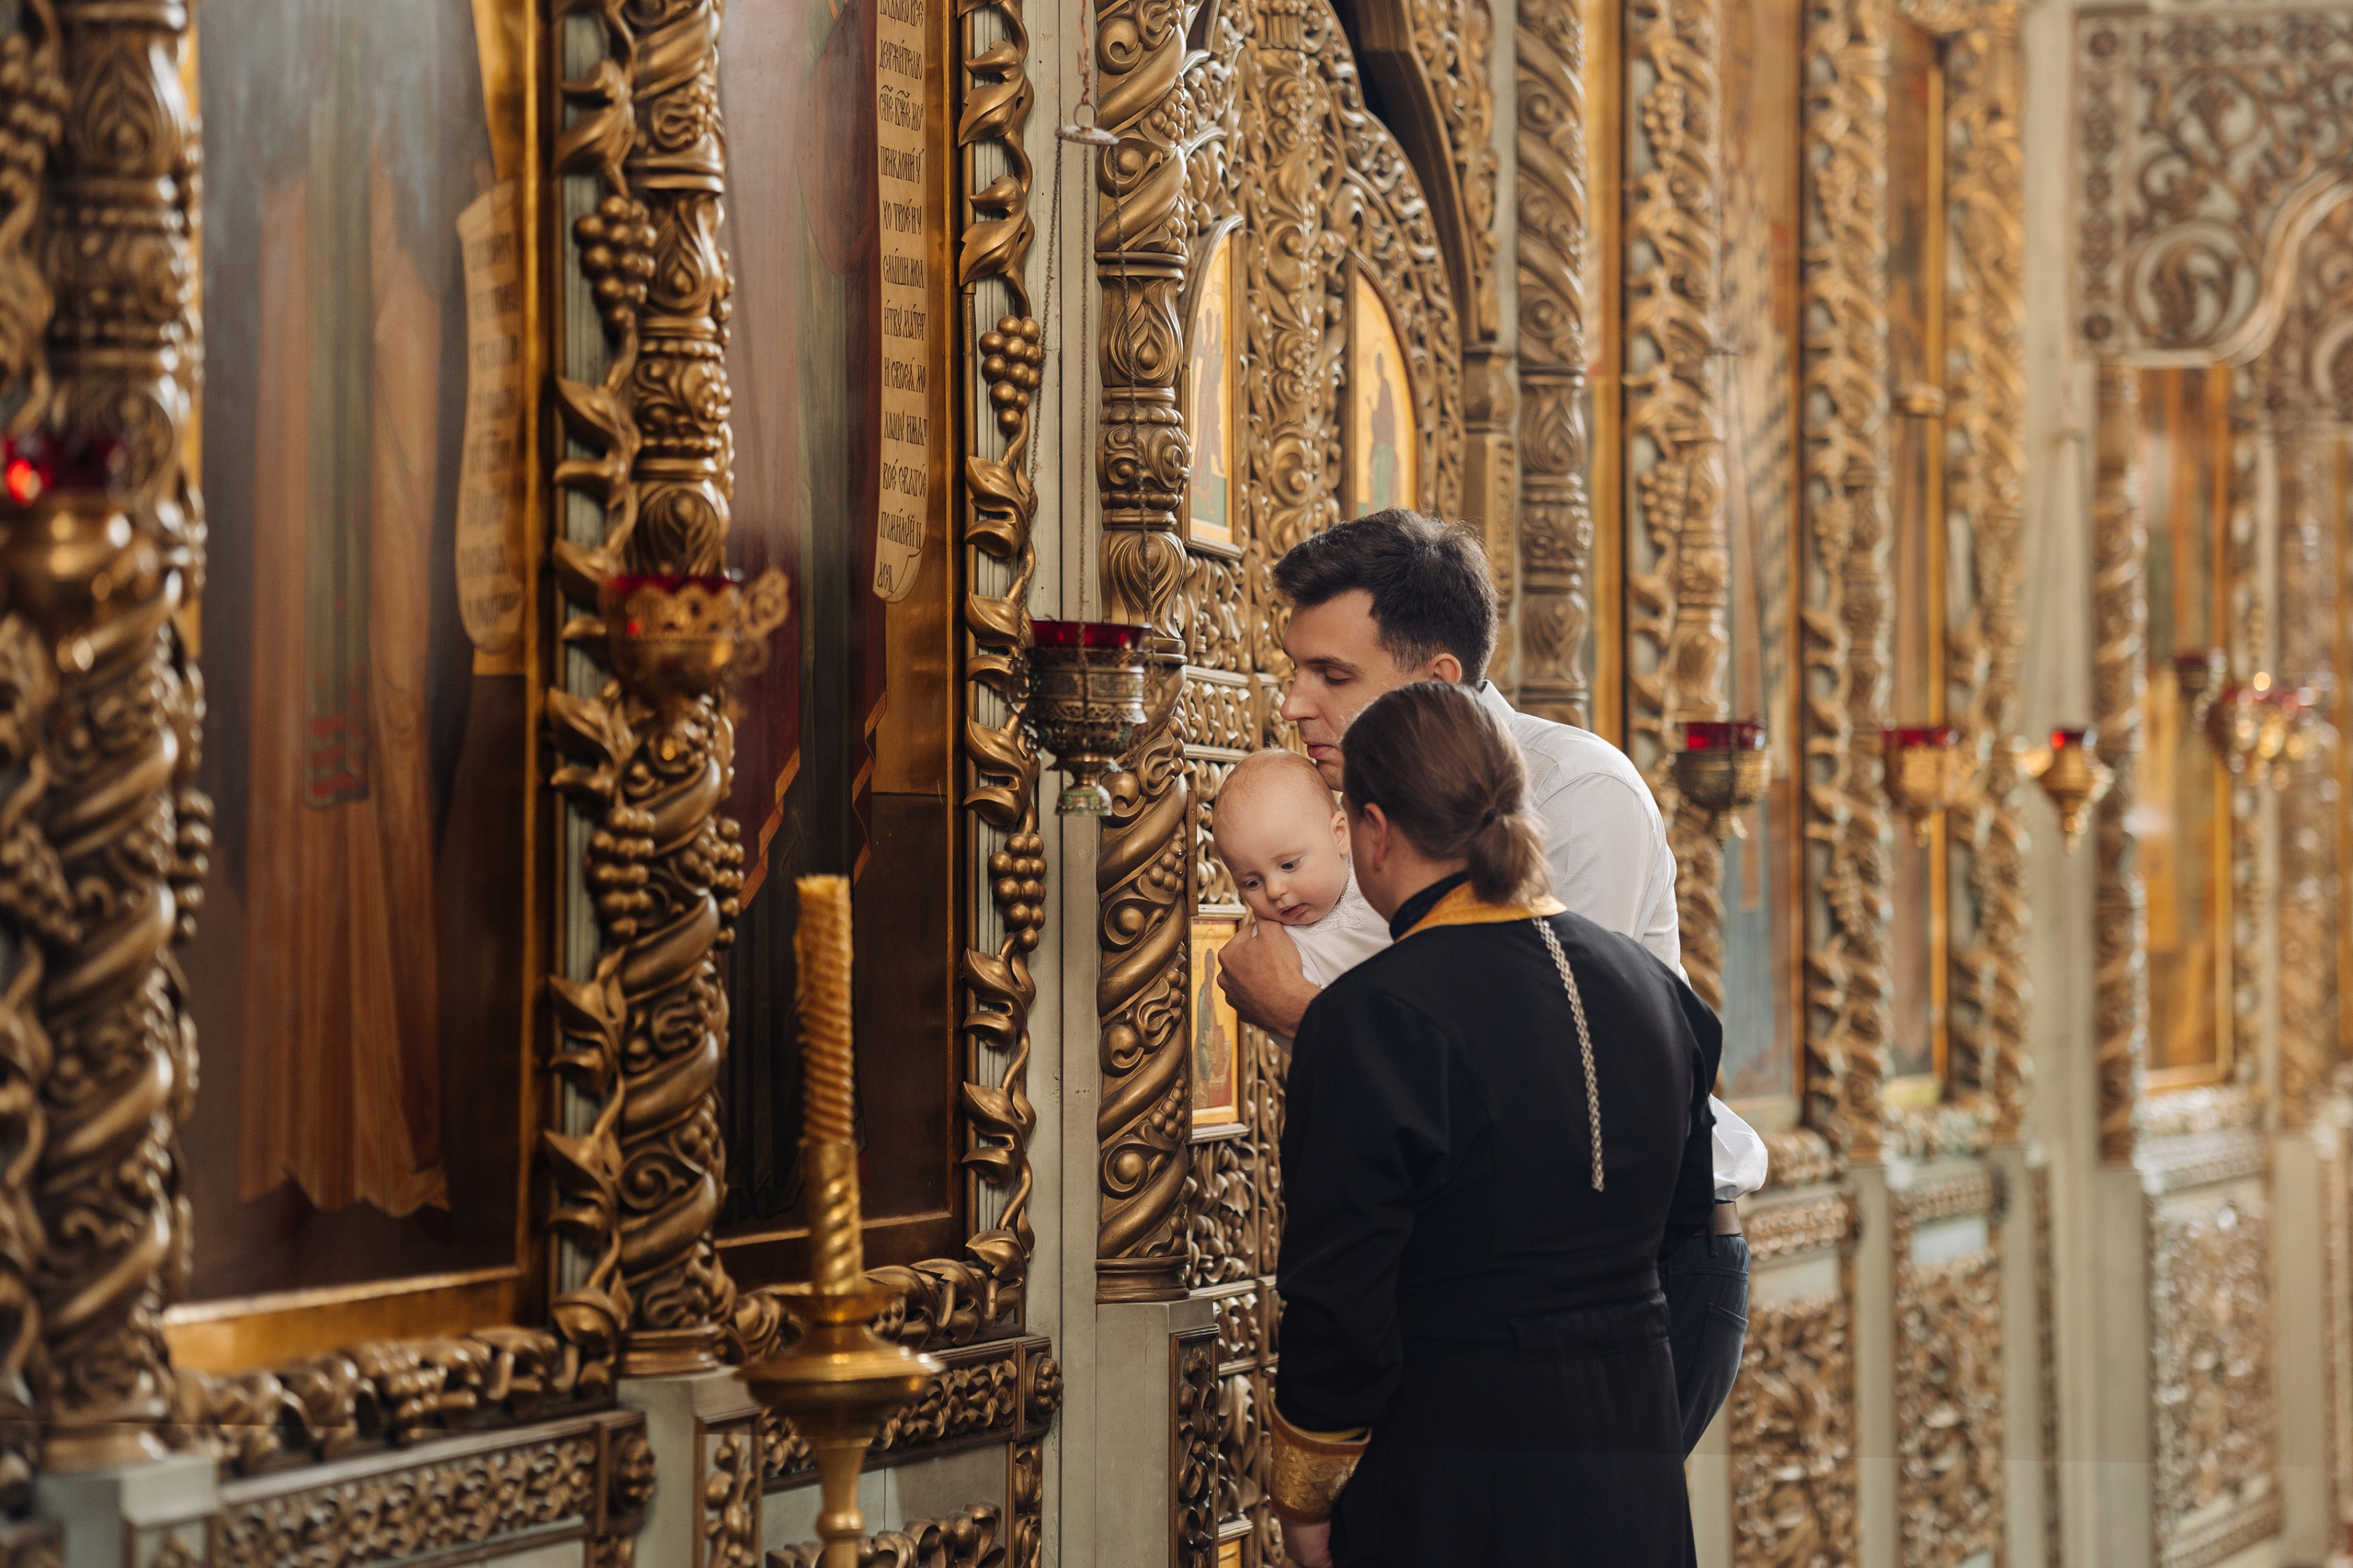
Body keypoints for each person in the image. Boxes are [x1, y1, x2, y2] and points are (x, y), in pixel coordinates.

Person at [1219, 508, 1762, 1453]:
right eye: (1295, 669)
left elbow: (1543, 1082)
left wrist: (1303, 1016)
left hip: (1641, 1267)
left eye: (1332, 675)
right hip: (1481, 1275)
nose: (1295, 703)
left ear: (1435, 679)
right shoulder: (1351, 819)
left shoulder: (1577, 794)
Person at [1268, 681, 1718, 1568]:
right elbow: (1680, 1224)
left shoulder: (1372, 1017)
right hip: (1634, 1460)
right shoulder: (1658, 992)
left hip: (1458, 1472)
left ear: (1374, 830)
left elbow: (1338, 1299)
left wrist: (1307, 1492)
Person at [1211, 748, 1389, 1006]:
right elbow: (1289, 1021)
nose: (1274, 891)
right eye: (1252, 883)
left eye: (1289, 865)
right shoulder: (1279, 950)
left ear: (1339, 835)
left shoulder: (1381, 862)